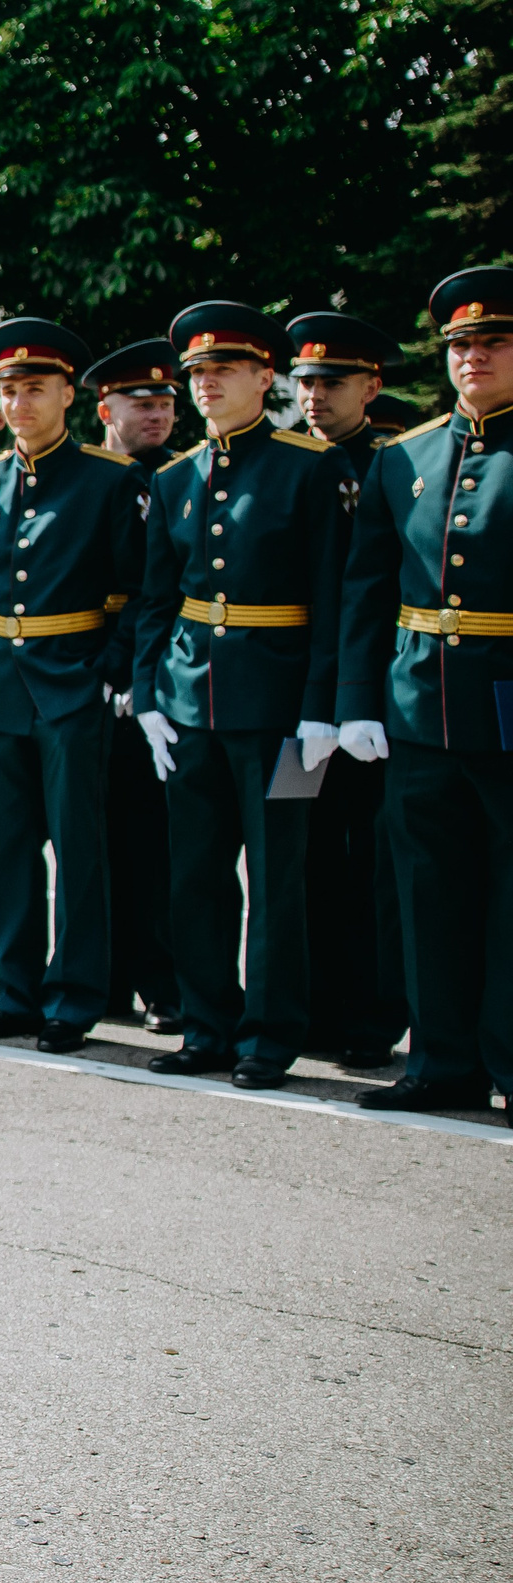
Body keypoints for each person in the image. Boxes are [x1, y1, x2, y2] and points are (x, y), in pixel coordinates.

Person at [134, 302, 350, 1089]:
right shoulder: (177, 475)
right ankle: (207, 1025)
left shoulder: (312, 467)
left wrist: (323, 703)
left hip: (279, 706)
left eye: (224, 368)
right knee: (194, 875)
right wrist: (149, 691)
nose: (208, 382)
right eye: (197, 371)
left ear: (267, 377)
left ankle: (268, 1034)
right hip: (192, 703)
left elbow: (334, 598)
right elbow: (159, 599)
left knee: (277, 879)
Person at [0, 319, 146, 1051]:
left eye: (35, 388)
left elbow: (134, 590)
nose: (20, 402)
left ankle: (75, 995)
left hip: (72, 682)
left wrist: (112, 672)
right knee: (6, 847)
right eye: (9, 389)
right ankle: (14, 989)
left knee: (79, 849)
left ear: (68, 395)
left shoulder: (108, 480)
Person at [337, 266, 513, 1122]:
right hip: (418, 704)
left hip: (509, 707)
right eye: (459, 345)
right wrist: (357, 700)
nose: (472, 357)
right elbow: (366, 589)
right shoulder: (405, 455)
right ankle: (439, 1060)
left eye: (492, 342)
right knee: (427, 889)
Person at [288, 311, 411, 1068]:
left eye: (332, 381)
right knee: (297, 858)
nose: (315, 395)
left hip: (361, 698)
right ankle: (312, 1008)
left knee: (370, 863)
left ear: (371, 385)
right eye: (305, 381)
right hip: (291, 703)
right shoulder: (284, 463)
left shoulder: (390, 464)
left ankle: (372, 1015)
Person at [83, 339, 186, 1033]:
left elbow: (154, 591)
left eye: (163, 403)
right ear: (105, 410)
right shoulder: (91, 477)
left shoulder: (179, 478)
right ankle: (108, 976)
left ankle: (160, 979)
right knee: (94, 839)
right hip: (75, 681)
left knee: (153, 843)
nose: (155, 414)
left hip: (136, 681)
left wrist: (122, 669)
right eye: (139, 403)